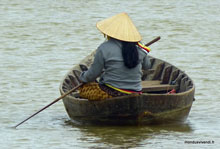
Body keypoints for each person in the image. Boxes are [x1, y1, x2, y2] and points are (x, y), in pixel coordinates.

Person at [79, 12, 151, 100]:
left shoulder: (104, 48)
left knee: (84, 89)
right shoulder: (139, 48)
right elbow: (147, 66)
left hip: (112, 93)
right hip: (136, 91)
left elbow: (93, 74)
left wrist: (82, 77)